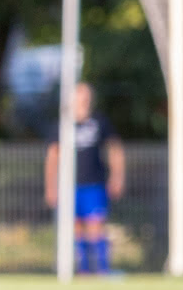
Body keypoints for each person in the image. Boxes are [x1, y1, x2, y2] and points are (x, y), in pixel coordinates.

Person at [45, 82, 125, 275]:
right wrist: (51, 186)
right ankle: (83, 271)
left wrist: (117, 176)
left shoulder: (99, 122)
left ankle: (102, 269)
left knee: (96, 226)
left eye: (86, 96)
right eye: (79, 96)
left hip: (94, 184)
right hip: (69, 187)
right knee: (75, 228)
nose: (83, 100)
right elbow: (53, 156)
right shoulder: (63, 125)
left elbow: (115, 149)